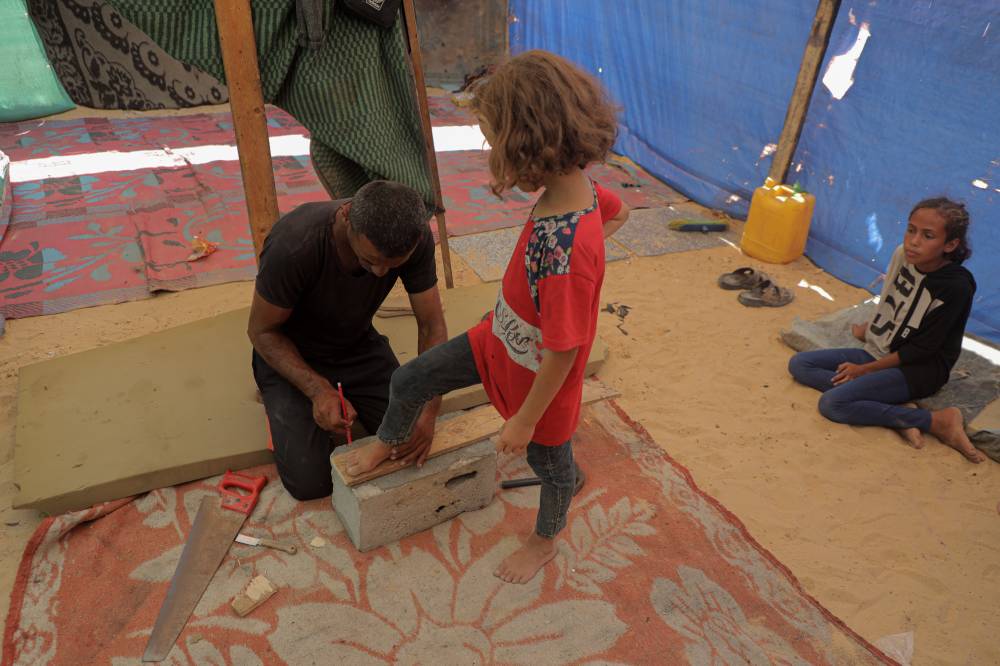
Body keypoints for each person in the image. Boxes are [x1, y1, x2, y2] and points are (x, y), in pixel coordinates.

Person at [342, 50, 630, 583]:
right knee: (410, 378)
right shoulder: (580, 192)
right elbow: (620, 213)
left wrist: (524, 421)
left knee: (552, 470)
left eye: (494, 140)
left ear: (526, 144)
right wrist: (534, 303)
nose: (492, 151)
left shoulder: (565, 253)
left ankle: (543, 541)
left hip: (538, 388)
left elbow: (564, 350)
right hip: (497, 341)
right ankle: (388, 440)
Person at [247, 180, 449, 500]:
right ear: (346, 215)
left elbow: (431, 325)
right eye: (369, 260)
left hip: (356, 344)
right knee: (311, 482)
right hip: (291, 353)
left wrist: (430, 406)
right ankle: (279, 404)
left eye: (392, 265)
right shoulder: (295, 244)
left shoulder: (416, 236)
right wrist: (318, 390)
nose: (380, 273)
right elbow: (261, 332)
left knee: (408, 438)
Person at [788, 197, 985, 463]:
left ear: (950, 245)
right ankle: (887, 406)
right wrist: (872, 329)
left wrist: (865, 370)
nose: (914, 241)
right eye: (911, 230)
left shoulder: (956, 287)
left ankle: (936, 421)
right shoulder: (903, 256)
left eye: (928, 236)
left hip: (919, 369)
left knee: (833, 404)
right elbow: (893, 300)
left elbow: (922, 349)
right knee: (801, 364)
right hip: (881, 350)